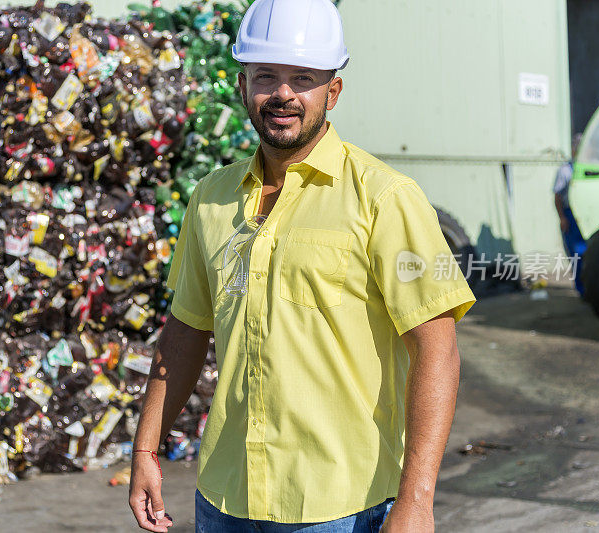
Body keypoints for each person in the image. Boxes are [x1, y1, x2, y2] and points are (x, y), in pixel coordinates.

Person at [128, 0, 476, 531]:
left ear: (331, 92)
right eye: (266, 75)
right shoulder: (212, 199)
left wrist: (417, 500)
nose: (283, 93)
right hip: (224, 498)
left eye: (303, 77)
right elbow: (185, 330)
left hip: (341, 506)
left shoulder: (384, 198)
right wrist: (145, 449)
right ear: (242, 86)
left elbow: (437, 349)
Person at [553, 133, 586, 295]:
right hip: (571, 216)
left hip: (588, 214)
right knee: (577, 255)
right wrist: (562, 217)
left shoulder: (589, 169)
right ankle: (582, 290)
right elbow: (557, 196)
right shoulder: (565, 170)